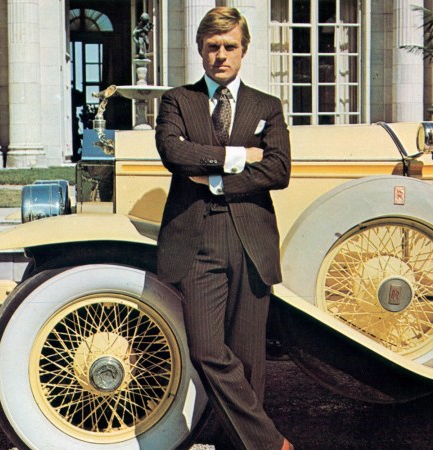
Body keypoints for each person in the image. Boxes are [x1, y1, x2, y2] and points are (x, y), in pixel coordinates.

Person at [155, 7, 292, 450]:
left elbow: (278, 170)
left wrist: (212, 176)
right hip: (195, 242)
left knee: (250, 359)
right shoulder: (178, 101)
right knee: (207, 350)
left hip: (250, 239)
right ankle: (271, 444)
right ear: (200, 50)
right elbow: (175, 154)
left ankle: (240, 444)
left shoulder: (266, 107)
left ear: (244, 50)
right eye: (212, 47)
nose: (220, 55)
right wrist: (238, 157)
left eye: (229, 46)